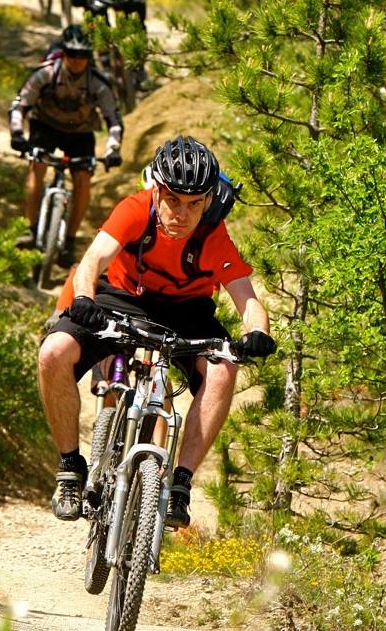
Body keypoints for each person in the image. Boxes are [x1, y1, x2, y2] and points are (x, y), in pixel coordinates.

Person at [38, 135, 277, 528]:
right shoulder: (134, 209)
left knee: (222, 369)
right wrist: (84, 299)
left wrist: (258, 333)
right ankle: (69, 467)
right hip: (123, 295)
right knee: (53, 353)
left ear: (208, 200)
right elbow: (93, 260)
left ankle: (180, 483)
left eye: (194, 204)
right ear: (157, 191)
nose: (183, 214)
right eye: (174, 201)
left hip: (187, 310)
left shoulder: (212, 234)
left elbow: (247, 299)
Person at [9, 24, 123, 266]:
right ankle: (30, 228)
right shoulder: (46, 74)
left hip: (80, 133)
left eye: (82, 55)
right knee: (36, 167)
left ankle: (69, 242)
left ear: (89, 57)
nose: (76, 60)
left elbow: (113, 120)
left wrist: (113, 150)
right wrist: (17, 134)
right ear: (63, 52)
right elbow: (20, 105)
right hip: (45, 126)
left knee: (83, 180)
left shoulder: (98, 83)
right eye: (71, 53)